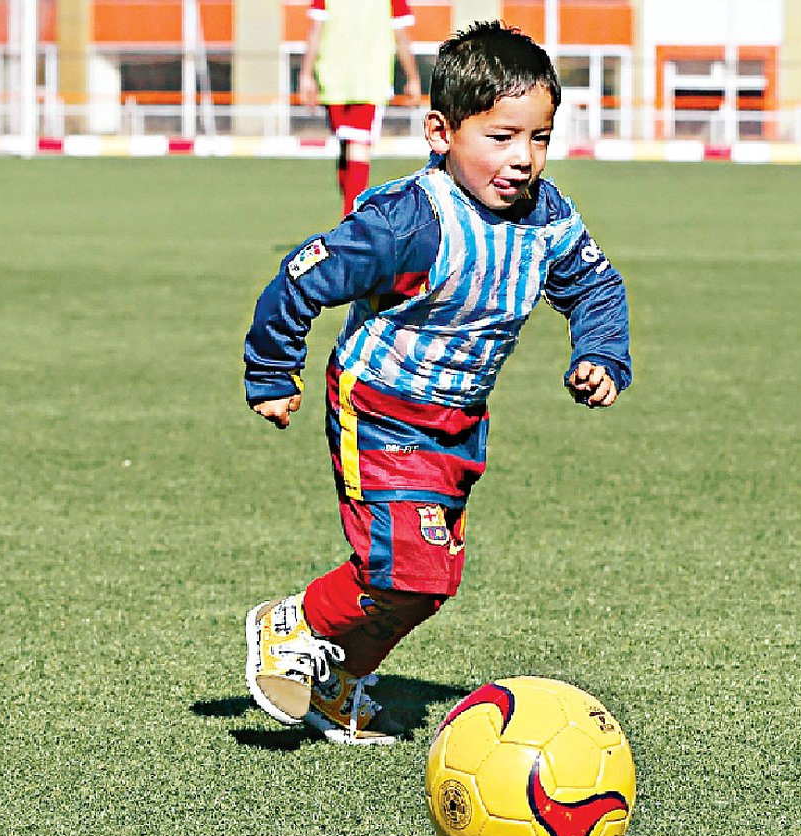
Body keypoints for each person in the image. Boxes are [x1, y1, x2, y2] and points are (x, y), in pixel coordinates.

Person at [243, 21, 632, 746]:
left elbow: (597, 286)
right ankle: (292, 623)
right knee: (400, 567)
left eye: (539, 138)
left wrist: (603, 354)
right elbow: (300, 276)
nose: (522, 159)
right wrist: (272, 371)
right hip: (380, 410)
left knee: (430, 583)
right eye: (500, 137)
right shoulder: (408, 224)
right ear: (440, 132)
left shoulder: (548, 218)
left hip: (458, 424)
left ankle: (339, 682)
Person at [298, 0, 423, 216]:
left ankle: (349, 218)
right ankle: (351, 222)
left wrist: (306, 75)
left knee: (350, 147)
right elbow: (401, 36)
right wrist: (412, 77)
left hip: (333, 80)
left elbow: (315, 32)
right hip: (369, 81)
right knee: (355, 149)